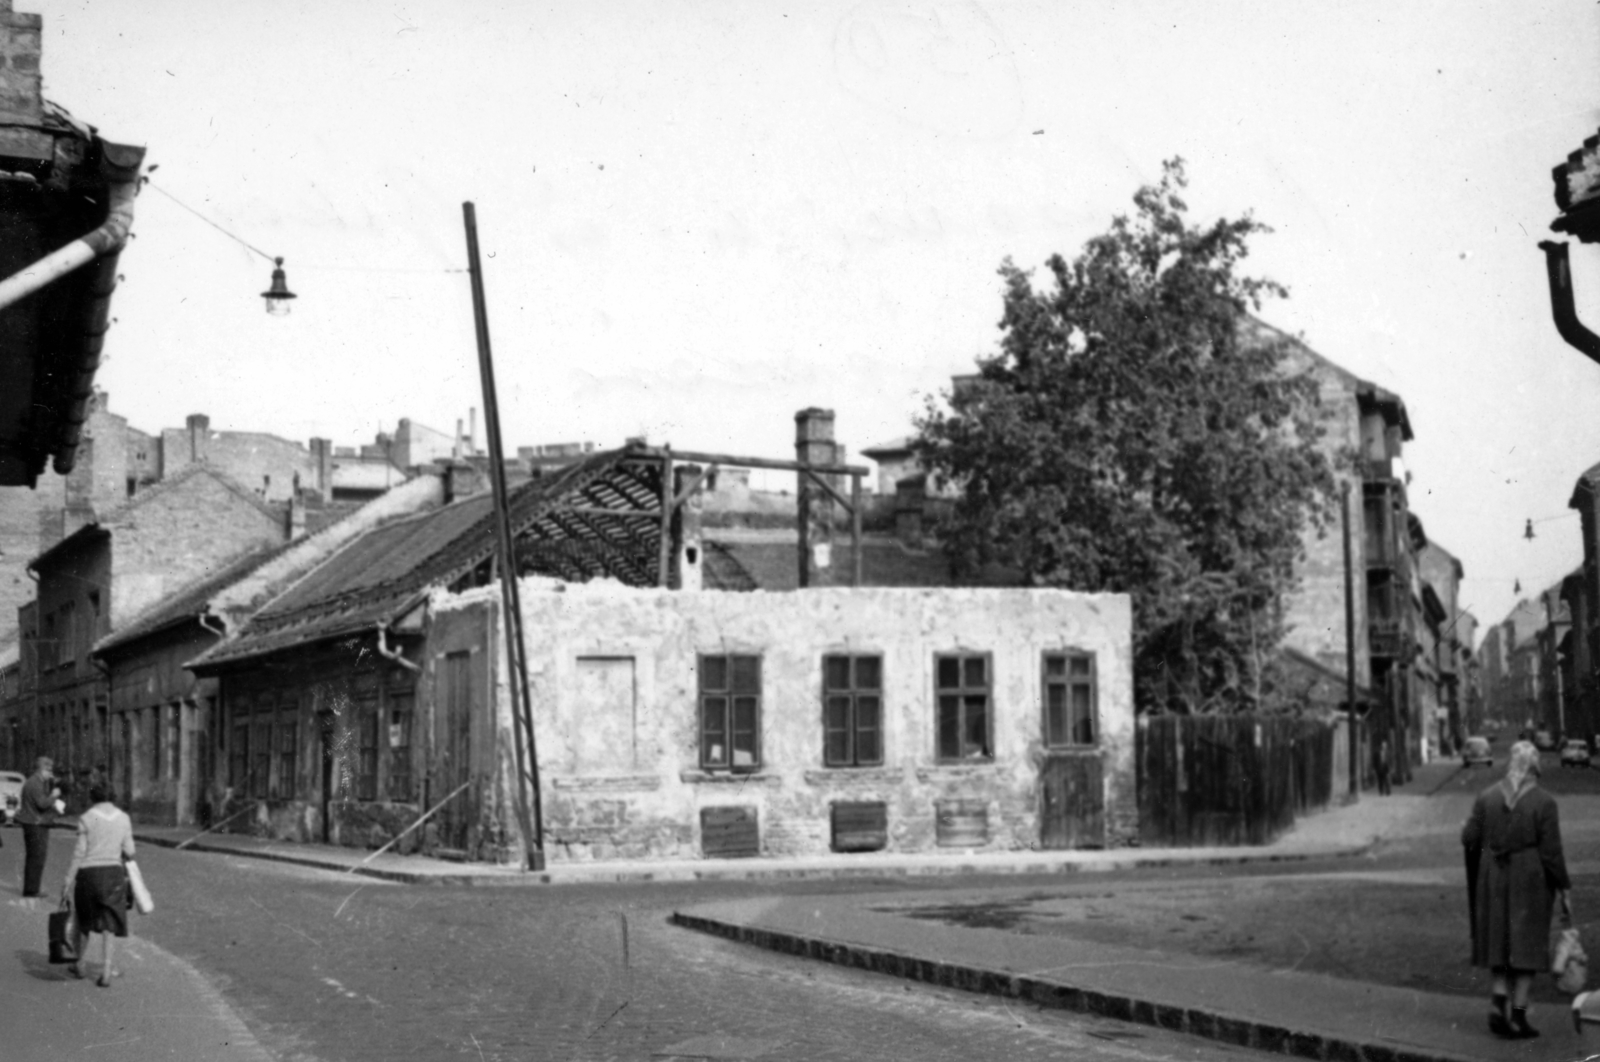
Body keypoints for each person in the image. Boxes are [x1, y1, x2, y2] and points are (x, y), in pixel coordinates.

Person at [1461, 740, 1570, 1040]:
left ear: (1510, 764)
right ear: (1535, 767)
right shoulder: (1545, 802)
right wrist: (1563, 886)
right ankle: (1519, 1016)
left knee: (1498, 938)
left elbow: (1468, 836)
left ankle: (1498, 1003)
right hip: (1529, 878)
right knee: (1528, 943)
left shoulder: (1486, 797)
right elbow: (1551, 853)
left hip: (1493, 876)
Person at [60, 782, 135, 988]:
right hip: (113, 874)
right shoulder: (123, 818)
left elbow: (79, 852)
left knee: (83, 921)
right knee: (109, 924)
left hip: (88, 875)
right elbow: (129, 850)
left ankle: (79, 964)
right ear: (113, 797)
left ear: (92, 797)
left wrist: (67, 881)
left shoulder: (88, 817)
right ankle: (106, 971)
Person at [17, 756, 60, 897]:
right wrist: (54, 796)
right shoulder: (35, 783)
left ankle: (31, 888)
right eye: (49, 771)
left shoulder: (34, 782)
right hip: (36, 824)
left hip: (32, 823)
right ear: (43, 769)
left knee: (33, 857)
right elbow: (42, 804)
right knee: (37, 857)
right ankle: (32, 890)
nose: (51, 774)